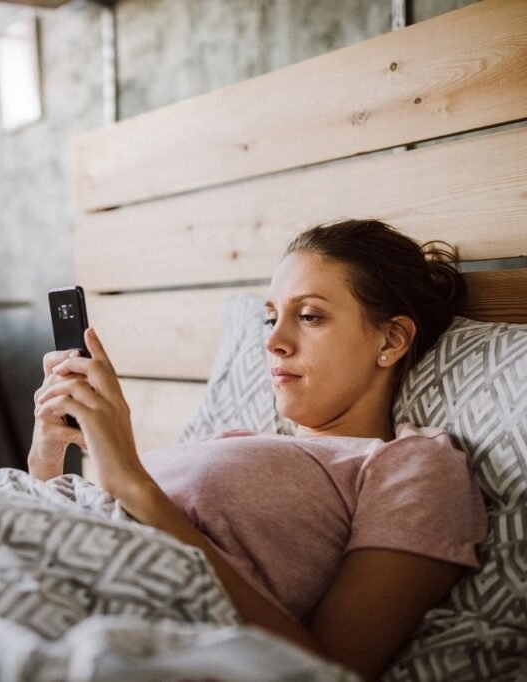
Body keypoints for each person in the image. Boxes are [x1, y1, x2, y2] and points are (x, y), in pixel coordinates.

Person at [28, 219, 487, 681]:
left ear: (390, 340)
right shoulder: (237, 439)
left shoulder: (411, 463)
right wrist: (46, 458)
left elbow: (332, 669)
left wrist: (132, 483)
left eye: (309, 316)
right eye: (271, 317)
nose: (272, 340)